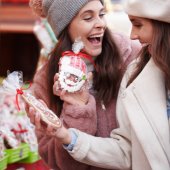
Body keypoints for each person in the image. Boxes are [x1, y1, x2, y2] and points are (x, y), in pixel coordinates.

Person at [27, 0, 140, 169]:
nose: (101, 24)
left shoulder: (132, 56)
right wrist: (77, 110)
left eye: (101, 14)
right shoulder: (45, 80)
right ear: (65, 27)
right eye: (88, 18)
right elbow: (60, 163)